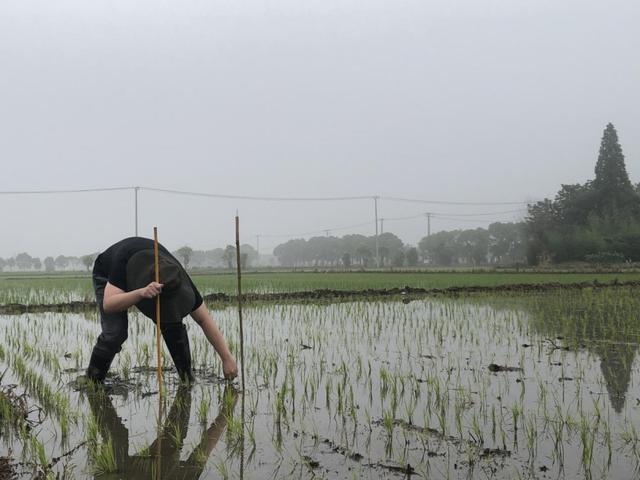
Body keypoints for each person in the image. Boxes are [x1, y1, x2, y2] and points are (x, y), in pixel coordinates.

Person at [86, 237, 238, 383]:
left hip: (148, 279)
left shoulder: (176, 276)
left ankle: (186, 379)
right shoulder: (122, 260)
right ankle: (93, 380)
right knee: (115, 333)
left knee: (171, 321)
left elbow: (204, 319)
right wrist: (140, 292)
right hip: (108, 275)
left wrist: (227, 359)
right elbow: (109, 304)